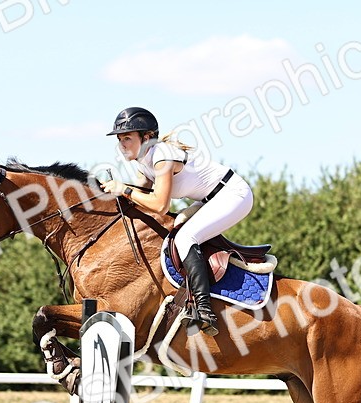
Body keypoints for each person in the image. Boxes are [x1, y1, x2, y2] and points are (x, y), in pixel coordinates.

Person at [101, 106, 253, 336]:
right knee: (175, 230)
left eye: (127, 138)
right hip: (208, 200)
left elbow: (160, 205)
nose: (122, 145)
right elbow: (139, 196)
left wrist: (124, 190)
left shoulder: (162, 156)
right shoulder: (144, 161)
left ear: (147, 137)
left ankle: (203, 309)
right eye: (120, 139)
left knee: (185, 238)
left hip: (233, 194)